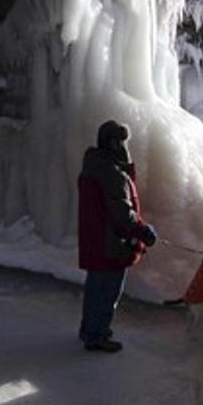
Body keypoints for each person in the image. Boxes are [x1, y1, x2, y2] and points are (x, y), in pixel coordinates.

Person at [76, 120, 157, 353]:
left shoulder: (93, 166)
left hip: (95, 240)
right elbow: (123, 213)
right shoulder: (112, 174)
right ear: (113, 143)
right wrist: (143, 231)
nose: (124, 147)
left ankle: (89, 329)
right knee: (108, 291)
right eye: (121, 142)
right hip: (111, 244)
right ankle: (96, 335)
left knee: (95, 289)